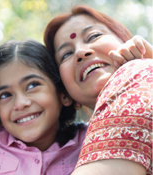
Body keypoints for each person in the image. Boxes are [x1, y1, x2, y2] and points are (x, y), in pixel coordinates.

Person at [44, 4, 152, 175]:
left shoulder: (136, 71)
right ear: (65, 94)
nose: (80, 52)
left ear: (125, 41)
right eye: (66, 54)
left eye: (93, 36)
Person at [0, 40, 87, 174]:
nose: (20, 104)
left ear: (63, 94)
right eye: (5, 95)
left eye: (32, 85)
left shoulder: (93, 141)